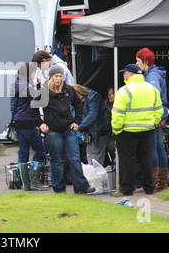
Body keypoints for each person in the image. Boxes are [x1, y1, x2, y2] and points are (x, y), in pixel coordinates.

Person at [30, 65, 94, 194]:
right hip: (52, 131)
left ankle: (82, 187)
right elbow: (33, 110)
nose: (58, 79)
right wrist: (41, 124)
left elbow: (78, 104)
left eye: (60, 76)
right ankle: (59, 190)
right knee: (57, 161)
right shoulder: (44, 92)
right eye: (56, 76)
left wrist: (77, 121)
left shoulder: (69, 90)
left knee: (75, 158)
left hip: (68, 129)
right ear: (51, 77)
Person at [111, 64, 163, 195]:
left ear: (131, 74)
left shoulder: (124, 90)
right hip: (147, 130)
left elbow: (117, 113)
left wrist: (117, 129)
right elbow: (159, 110)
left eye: (125, 73)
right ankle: (149, 187)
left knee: (128, 161)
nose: (124, 75)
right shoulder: (152, 89)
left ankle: (127, 189)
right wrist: (153, 123)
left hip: (127, 132)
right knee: (146, 159)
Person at [10, 62, 49, 191]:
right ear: (29, 73)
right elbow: (39, 99)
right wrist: (39, 86)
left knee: (23, 152)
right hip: (28, 122)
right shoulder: (26, 86)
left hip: (17, 122)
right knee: (40, 151)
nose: (34, 75)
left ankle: (26, 185)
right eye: (33, 73)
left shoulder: (13, 85)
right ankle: (35, 182)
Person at [136, 48, 169, 191]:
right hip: (160, 113)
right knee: (159, 148)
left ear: (145, 62)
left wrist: (154, 116)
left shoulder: (151, 76)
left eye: (138, 60)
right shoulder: (156, 74)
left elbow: (154, 95)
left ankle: (152, 182)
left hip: (155, 115)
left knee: (153, 148)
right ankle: (161, 182)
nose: (136, 63)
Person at [70, 84, 107, 166]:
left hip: (99, 130)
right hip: (90, 131)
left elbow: (92, 115)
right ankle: (93, 175)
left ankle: (96, 177)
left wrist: (79, 127)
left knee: (95, 157)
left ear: (79, 94)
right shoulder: (76, 100)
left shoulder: (93, 96)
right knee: (91, 155)